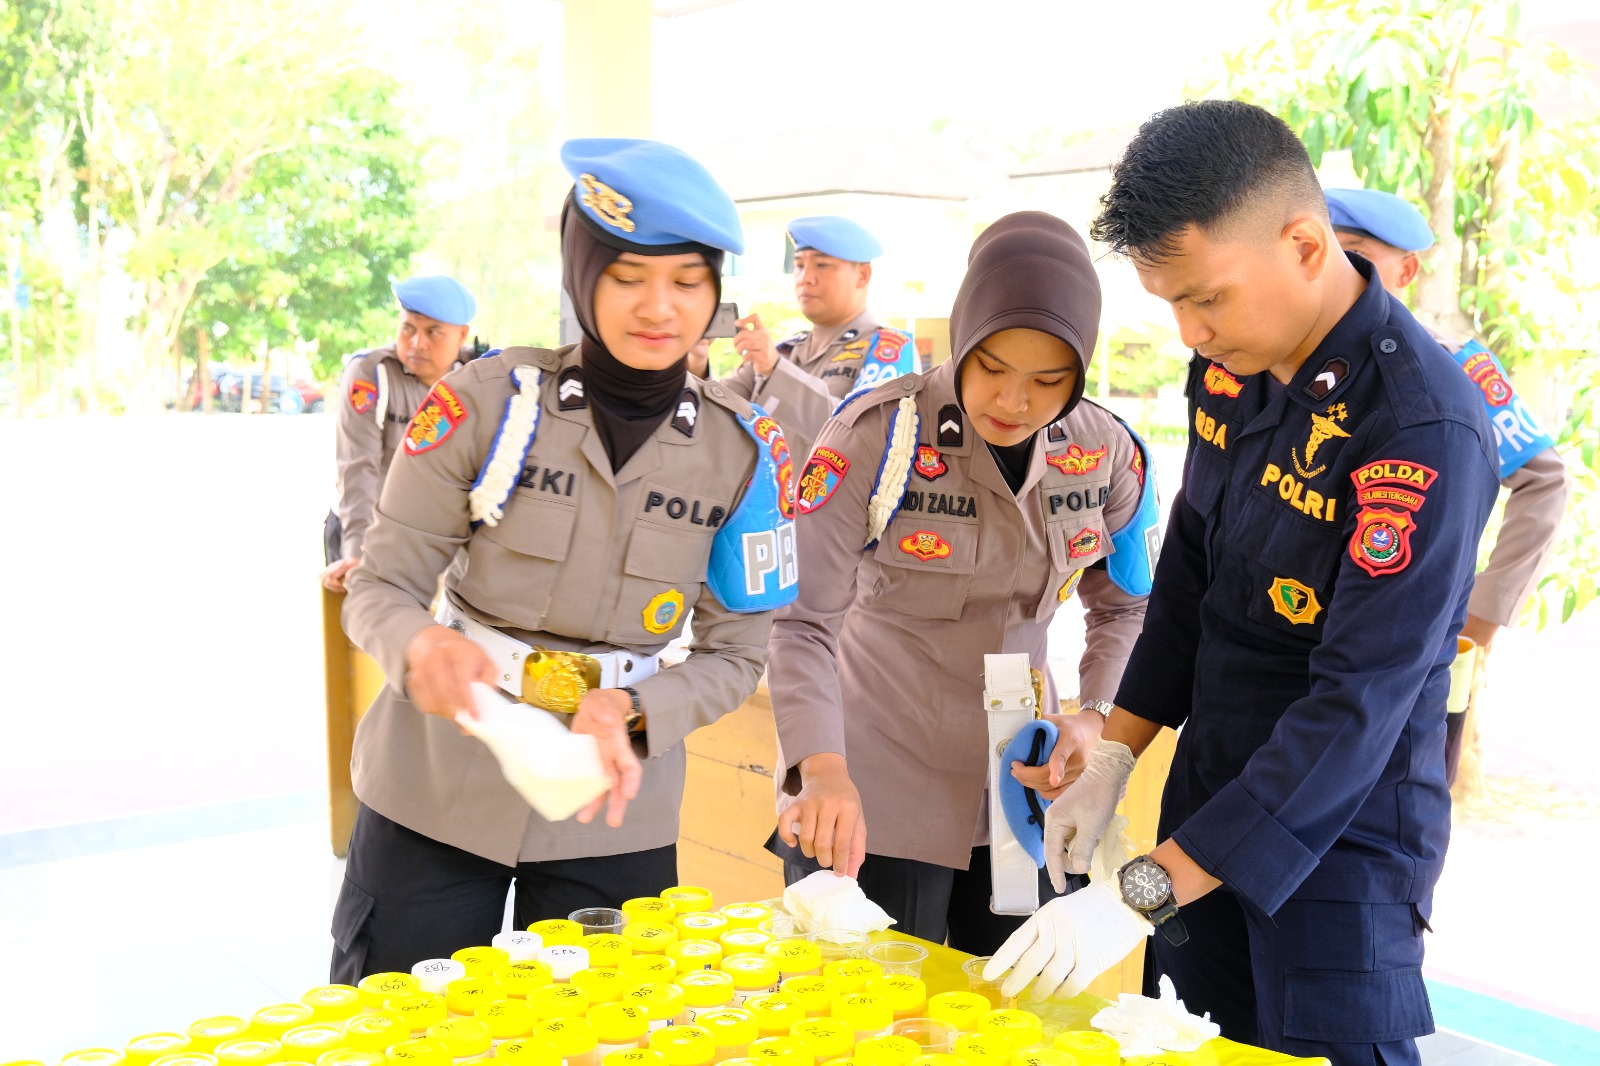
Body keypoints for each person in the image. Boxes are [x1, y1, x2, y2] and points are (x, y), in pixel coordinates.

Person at [985, 101, 1500, 1066]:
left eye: (1207, 298)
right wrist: (1114, 754)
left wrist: (1142, 892)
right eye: (1171, 303)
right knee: (1178, 1044)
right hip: (1206, 797)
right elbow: (1191, 574)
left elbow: (1355, 710)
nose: (1189, 331)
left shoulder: (1420, 430)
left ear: (1305, 246)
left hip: (1337, 839)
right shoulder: (1234, 368)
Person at [331, 138, 798, 980]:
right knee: (404, 1033)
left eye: (687, 281)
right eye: (628, 277)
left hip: (615, 800)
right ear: (583, 278)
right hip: (439, 779)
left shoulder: (745, 456)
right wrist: (419, 644)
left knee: (597, 1037)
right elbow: (381, 585)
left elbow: (737, 653)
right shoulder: (484, 405)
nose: (659, 307)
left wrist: (637, 711)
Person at [766, 211, 1161, 954]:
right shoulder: (877, 435)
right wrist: (819, 769)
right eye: (993, 370)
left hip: (1022, 784)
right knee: (865, 1017)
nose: (1015, 403)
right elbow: (800, 624)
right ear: (962, 340)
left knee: (1006, 1013)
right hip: (874, 776)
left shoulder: (1105, 453)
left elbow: (1128, 607)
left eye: (1048, 381)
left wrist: (1095, 715)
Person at [1325, 187, 1571, 775]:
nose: (1336, 268)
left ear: (1406, 270)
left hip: (1408, 642)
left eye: (1356, 252)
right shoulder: (1276, 355)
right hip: (1293, 630)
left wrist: (1480, 619)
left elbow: (1545, 483)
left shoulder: (1454, 364)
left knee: (1395, 786)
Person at [321, 275, 478, 592]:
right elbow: (357, 468)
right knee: (364, 632)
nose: (417, 343)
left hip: (432, 539)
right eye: (408, 328)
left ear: (462, 335)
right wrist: (357, 552)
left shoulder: (477, 381)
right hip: (365, 528)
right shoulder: (373, 374)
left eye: (433, 332)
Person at [723, 216, 916, 461]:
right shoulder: (784, 352)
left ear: (863, 276)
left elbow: (863, 435)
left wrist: (775, 371)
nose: (805, 278)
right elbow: (712, 415)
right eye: (799, 265)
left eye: (822, 265)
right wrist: (694, 360)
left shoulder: (889, 350)